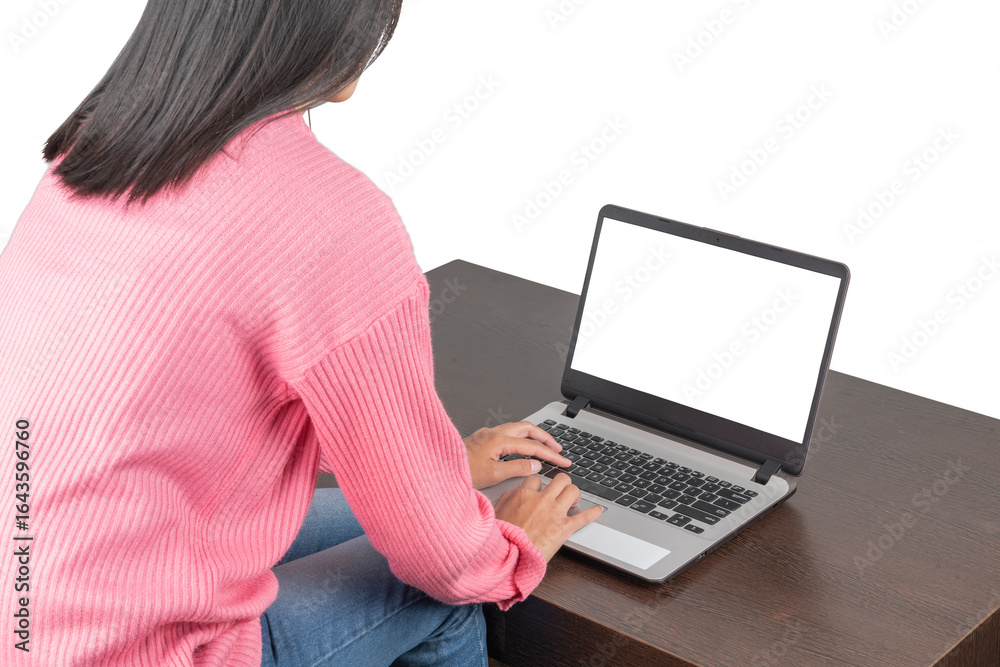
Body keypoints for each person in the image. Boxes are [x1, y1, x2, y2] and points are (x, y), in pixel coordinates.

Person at [0, 1, 602, 665]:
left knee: (420, 514)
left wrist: (436, 470)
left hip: (28, 598)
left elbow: (183, 414)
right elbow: (442, 562)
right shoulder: (335, 217)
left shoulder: (95, 150)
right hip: (126, 650)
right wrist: (513, 548)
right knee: (452, 597)